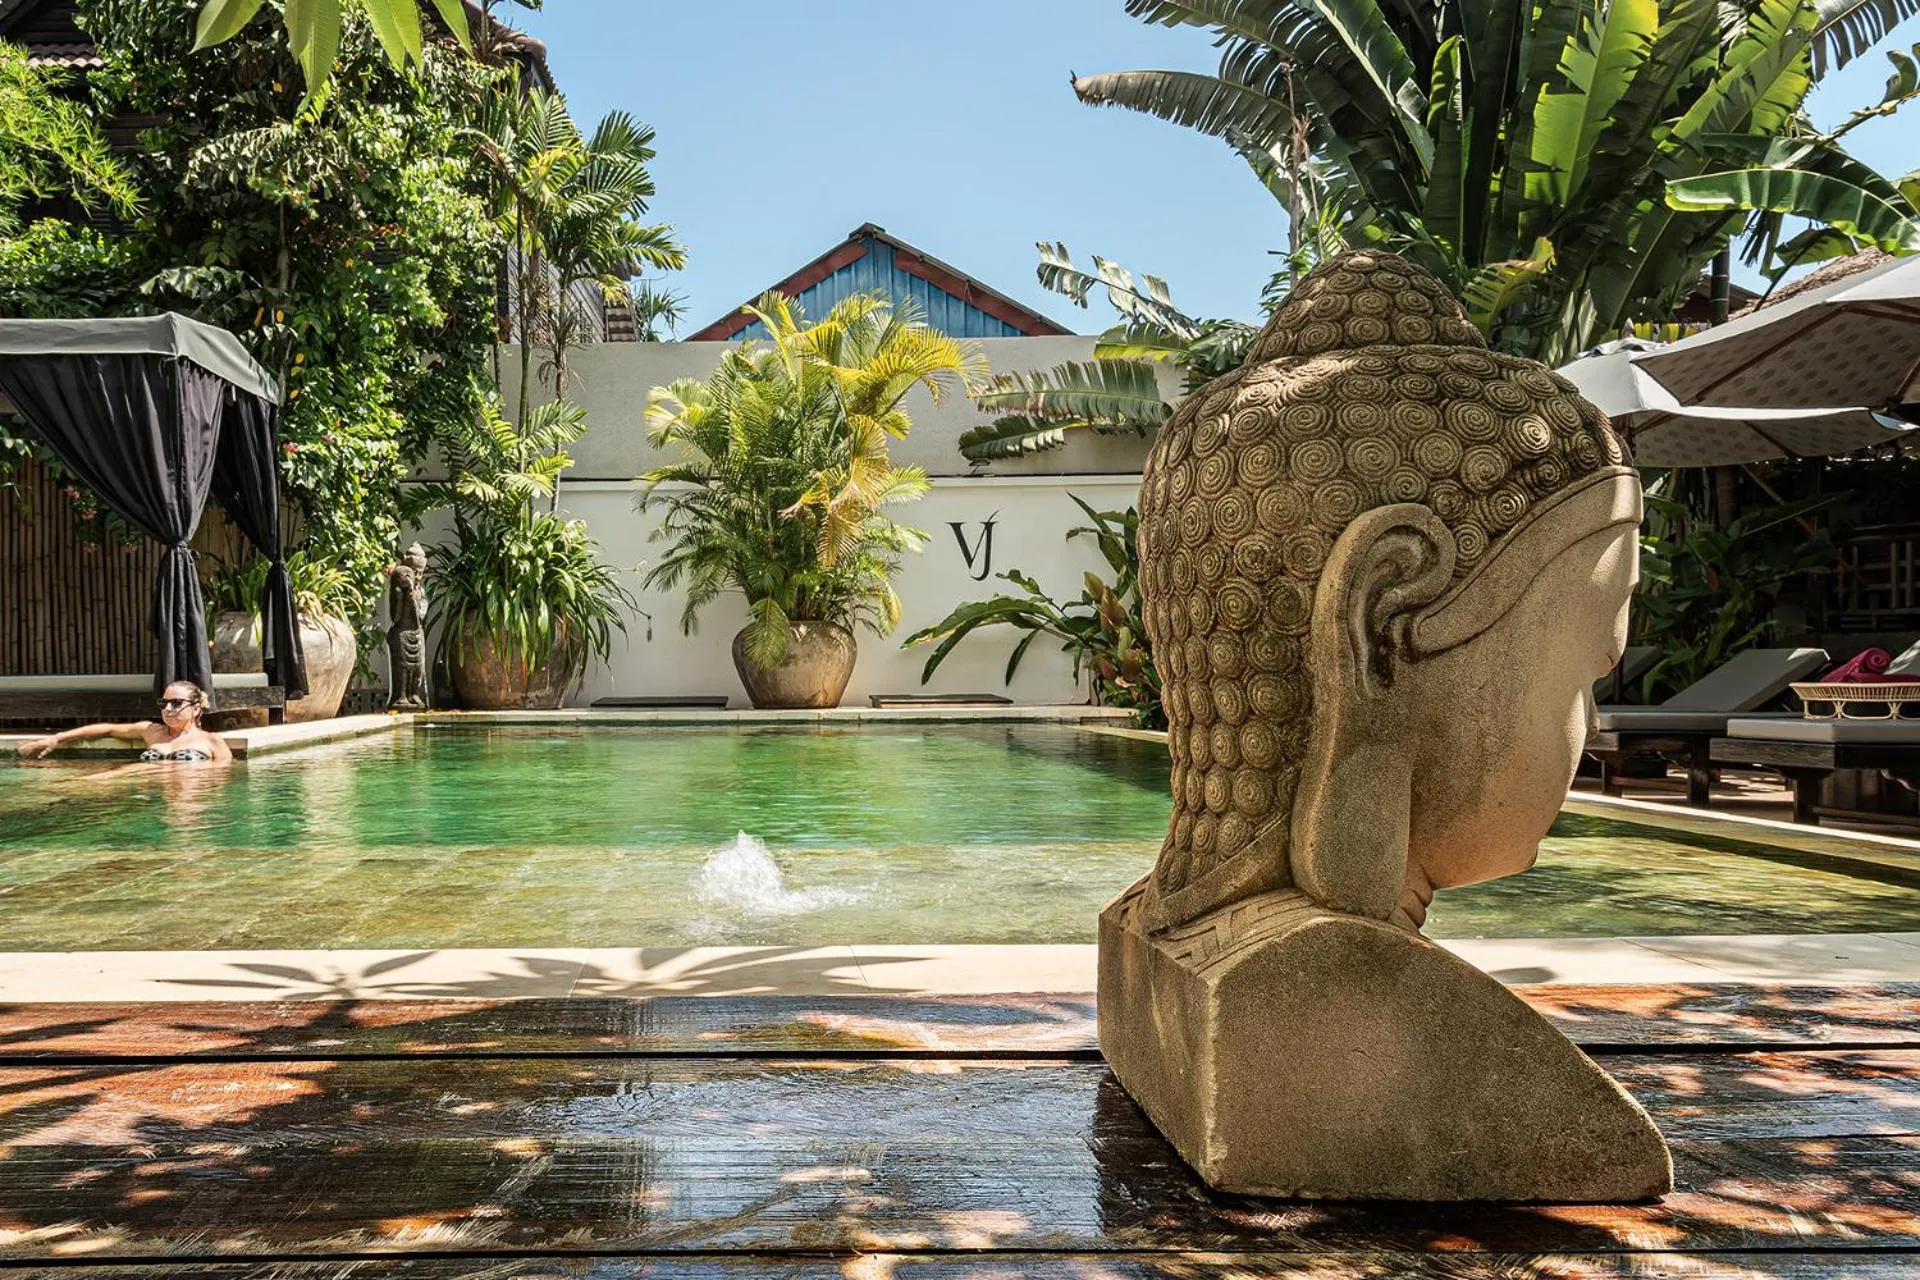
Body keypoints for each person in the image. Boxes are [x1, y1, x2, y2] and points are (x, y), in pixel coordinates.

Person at [18, 680, 234, 763]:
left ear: (196, 709)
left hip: (192, 798)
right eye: (164, 703)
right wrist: (57, 738)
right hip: (142, 790)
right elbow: (108, 729)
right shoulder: (151, 730)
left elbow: (225, 776)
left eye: (176, 703)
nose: (167, 709)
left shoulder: (212, 741)